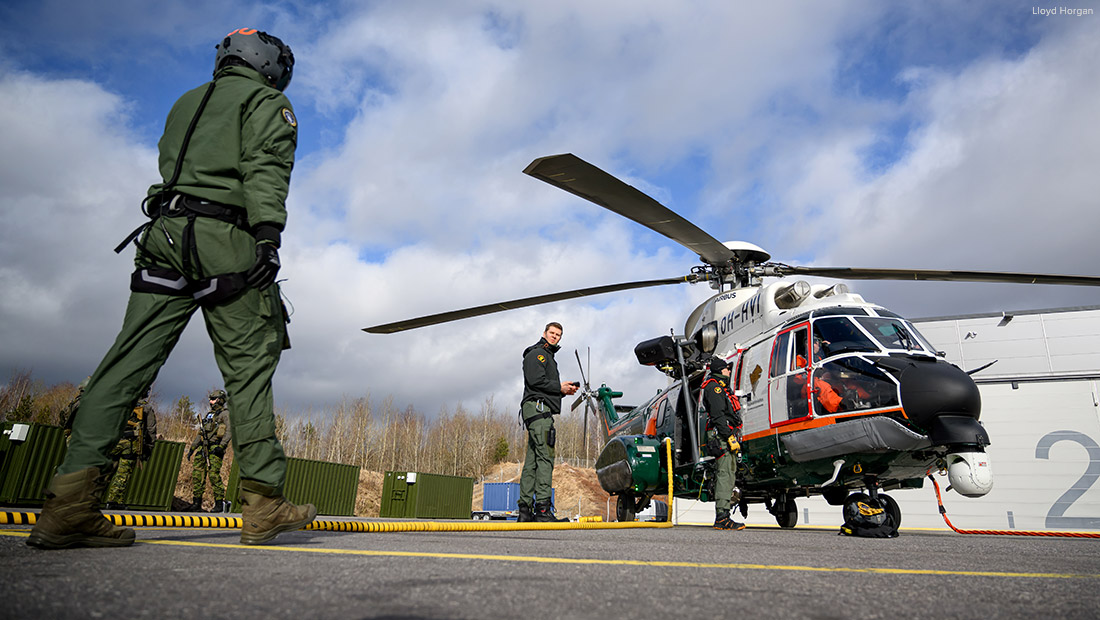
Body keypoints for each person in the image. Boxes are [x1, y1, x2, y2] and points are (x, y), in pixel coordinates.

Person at [27, 28, 315, 550]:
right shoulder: (267, 101)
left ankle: (68, 506)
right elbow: (266, 168)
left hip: (162, 234)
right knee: (250, 367)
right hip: (223, 238)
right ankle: (264, 503)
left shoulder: (186, 101)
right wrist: (269, 236)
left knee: (124, 366)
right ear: (267, 62)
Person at [517, 322, 579, 522]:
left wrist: (563, 391)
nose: (555, 337)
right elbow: (536, 381)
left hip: (537, 408)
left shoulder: (547, 356)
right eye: (552, 333)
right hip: (539, 409)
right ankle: (543, 510)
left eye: (558, 335)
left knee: (532, 461)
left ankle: (525, 511)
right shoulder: (538, 354)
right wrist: (559, 388)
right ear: (544, 333)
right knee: (545, 457)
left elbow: (542, 385)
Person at [701, 357, 745, 530]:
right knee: (725, 474)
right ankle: (722, 517)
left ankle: (724, 514)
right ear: (720, 370)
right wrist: (728, 436)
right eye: (726, 369)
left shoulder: (721, 388)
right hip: (722, 437)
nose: (729, 371)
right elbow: (719, 416)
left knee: (729, 473)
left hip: (726, 435)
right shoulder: (715, 388)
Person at [103, 391, 158, 509]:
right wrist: (149, 448)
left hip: (113, 441)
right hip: (130, 444)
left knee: (105, 470)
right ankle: (114, 502)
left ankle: (92, 498)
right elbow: (151, 430)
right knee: (123, 474)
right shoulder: (146, 407)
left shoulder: (120, 403)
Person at [185, 389, 233, 512]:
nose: (210, 402)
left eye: (213, 399)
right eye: (210, 399)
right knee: (197, 475)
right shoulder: (209, 415)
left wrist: (221, 446)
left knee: (213, 475)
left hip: (215, 448)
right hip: (203, 447)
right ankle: (196, 503)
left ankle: (219, 503)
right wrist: (193, 448)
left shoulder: (225, 414)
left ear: (220, 400)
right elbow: (201, 433)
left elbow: (229, 431)